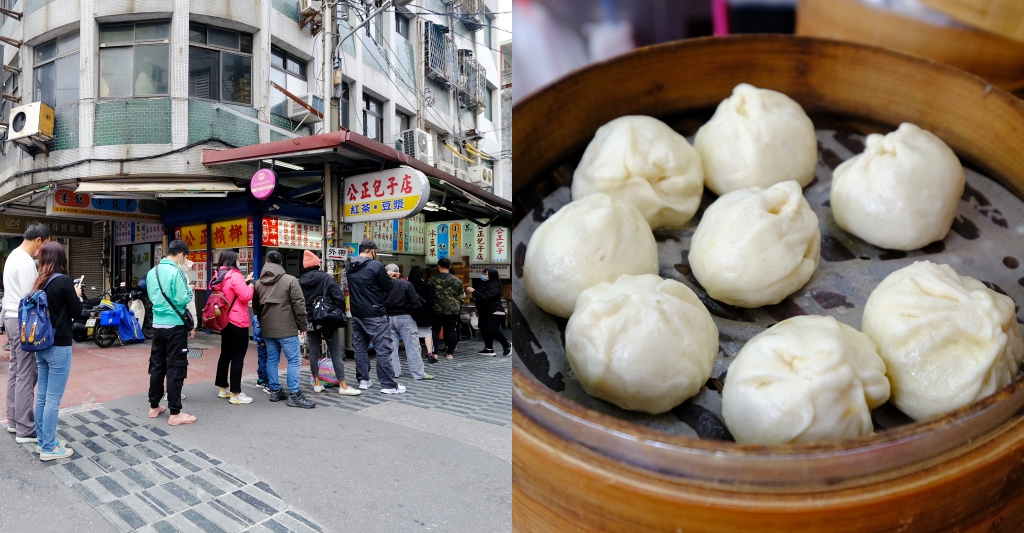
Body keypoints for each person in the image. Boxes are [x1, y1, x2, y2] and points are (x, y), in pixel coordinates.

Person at [33, 242, 82, 460]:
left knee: (42, 396)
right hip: (59, 345)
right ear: (62, 258)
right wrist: (77, 293)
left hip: (40, 345)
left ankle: (43, 441)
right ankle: (50, 448)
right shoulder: (64, 281)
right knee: (53, 399)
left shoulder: (39, 282)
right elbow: (77, 311)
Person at [3, 223, 50, 442]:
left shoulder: (13, 255)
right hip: (21, 320)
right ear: (39, 240)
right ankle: (24, 428)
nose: (43, 250)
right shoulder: (26, 262)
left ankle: (13, 420)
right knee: (26, 373)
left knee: (15, 370)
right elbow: (29, 298)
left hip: (10, 318)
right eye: (45, 244)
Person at [253, 251, 316, 408]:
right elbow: (299, 304)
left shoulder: (258, 283)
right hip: (287, 328)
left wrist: (262, 322)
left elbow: (256, 308)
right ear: (281, 264)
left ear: (266, 263)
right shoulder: (290, 280)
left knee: (272, 359)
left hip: (267, 328)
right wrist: (303, 325)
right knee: (294, 359)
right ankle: (294, 394)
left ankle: (275, 390)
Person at [146, 240, 197, 426]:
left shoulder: (153, 272)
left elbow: (152, 296)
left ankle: (154, 406)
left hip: (157, 325)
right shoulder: (177, 272)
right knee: (175, 366)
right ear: (182, 254)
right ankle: (175, 413)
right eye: (186, 257)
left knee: (157, 365)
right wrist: (190, 292)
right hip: (175, 327)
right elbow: (183, 298)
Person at [299, 250, 361, 396]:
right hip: (326, 319)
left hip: (309, 319)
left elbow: (298, 301)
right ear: (317, 264)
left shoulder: (301, 281)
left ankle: (317, 383)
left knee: (313, 352)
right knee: (335, 352)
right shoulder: (326, 278)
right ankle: (343, 385)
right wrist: (338, 312)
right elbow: (338, 297)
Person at [346, 240, 403, 394]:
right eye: (375, 251)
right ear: (372, 251)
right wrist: (388, 277)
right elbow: (388, 287)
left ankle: (364, 380)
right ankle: (388, 385)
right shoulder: (376, 265)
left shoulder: (350, 265)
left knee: (360, 348)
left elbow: (366, 285)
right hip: (375, 313)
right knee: (383, 349)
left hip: (357, 313)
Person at [212, 250, 255, 405]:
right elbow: (245, 296)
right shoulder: (235, 275)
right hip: (237, 321)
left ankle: (223, 387)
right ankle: (236, 393)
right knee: (237, 358)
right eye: (237, 259)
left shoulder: (218, 275)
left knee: (225, 355)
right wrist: (250, 286)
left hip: (223, 320)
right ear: (233, 260)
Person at [385, 264, 433, 380]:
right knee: (413, 347)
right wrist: (414, 317)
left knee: (391, 347)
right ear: (398, 273)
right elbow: (416, 303)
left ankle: (394, 372)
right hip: (405, 317)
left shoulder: (382, 285)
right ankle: (418, 374)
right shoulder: (406, 284)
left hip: (388, 318)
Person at [430, 257, 473, 360]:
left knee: (435, 331)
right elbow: (461, 296)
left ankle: (435, 353)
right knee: (451, 331)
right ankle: (450, 353)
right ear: (450, 267)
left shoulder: (433, 279)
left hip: (437, 310)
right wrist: (456, 305)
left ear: (438, 266)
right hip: (453, 310)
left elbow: (429, 295)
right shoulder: (457, 280)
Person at [474, 268, 511, 356]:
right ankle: (489, 348)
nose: (483, 276)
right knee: (483, 328)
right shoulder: (483, 284)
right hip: (484, 311)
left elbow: (486, 298)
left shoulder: (494, 286)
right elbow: (480, 299)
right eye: (483, 273)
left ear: (491, 275)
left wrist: (474, 291)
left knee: (492, 330)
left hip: (495, 310)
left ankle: (507, 345)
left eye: (485, 274)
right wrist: (478, 308)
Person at [408, 265, 437, 364]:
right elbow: (430, 300)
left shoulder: (407, 284)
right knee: (427, 333)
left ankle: (415, 354)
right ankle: (430, 353)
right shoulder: (426, 285)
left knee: (413, 334)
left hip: (411, 311)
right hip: (425, 311)